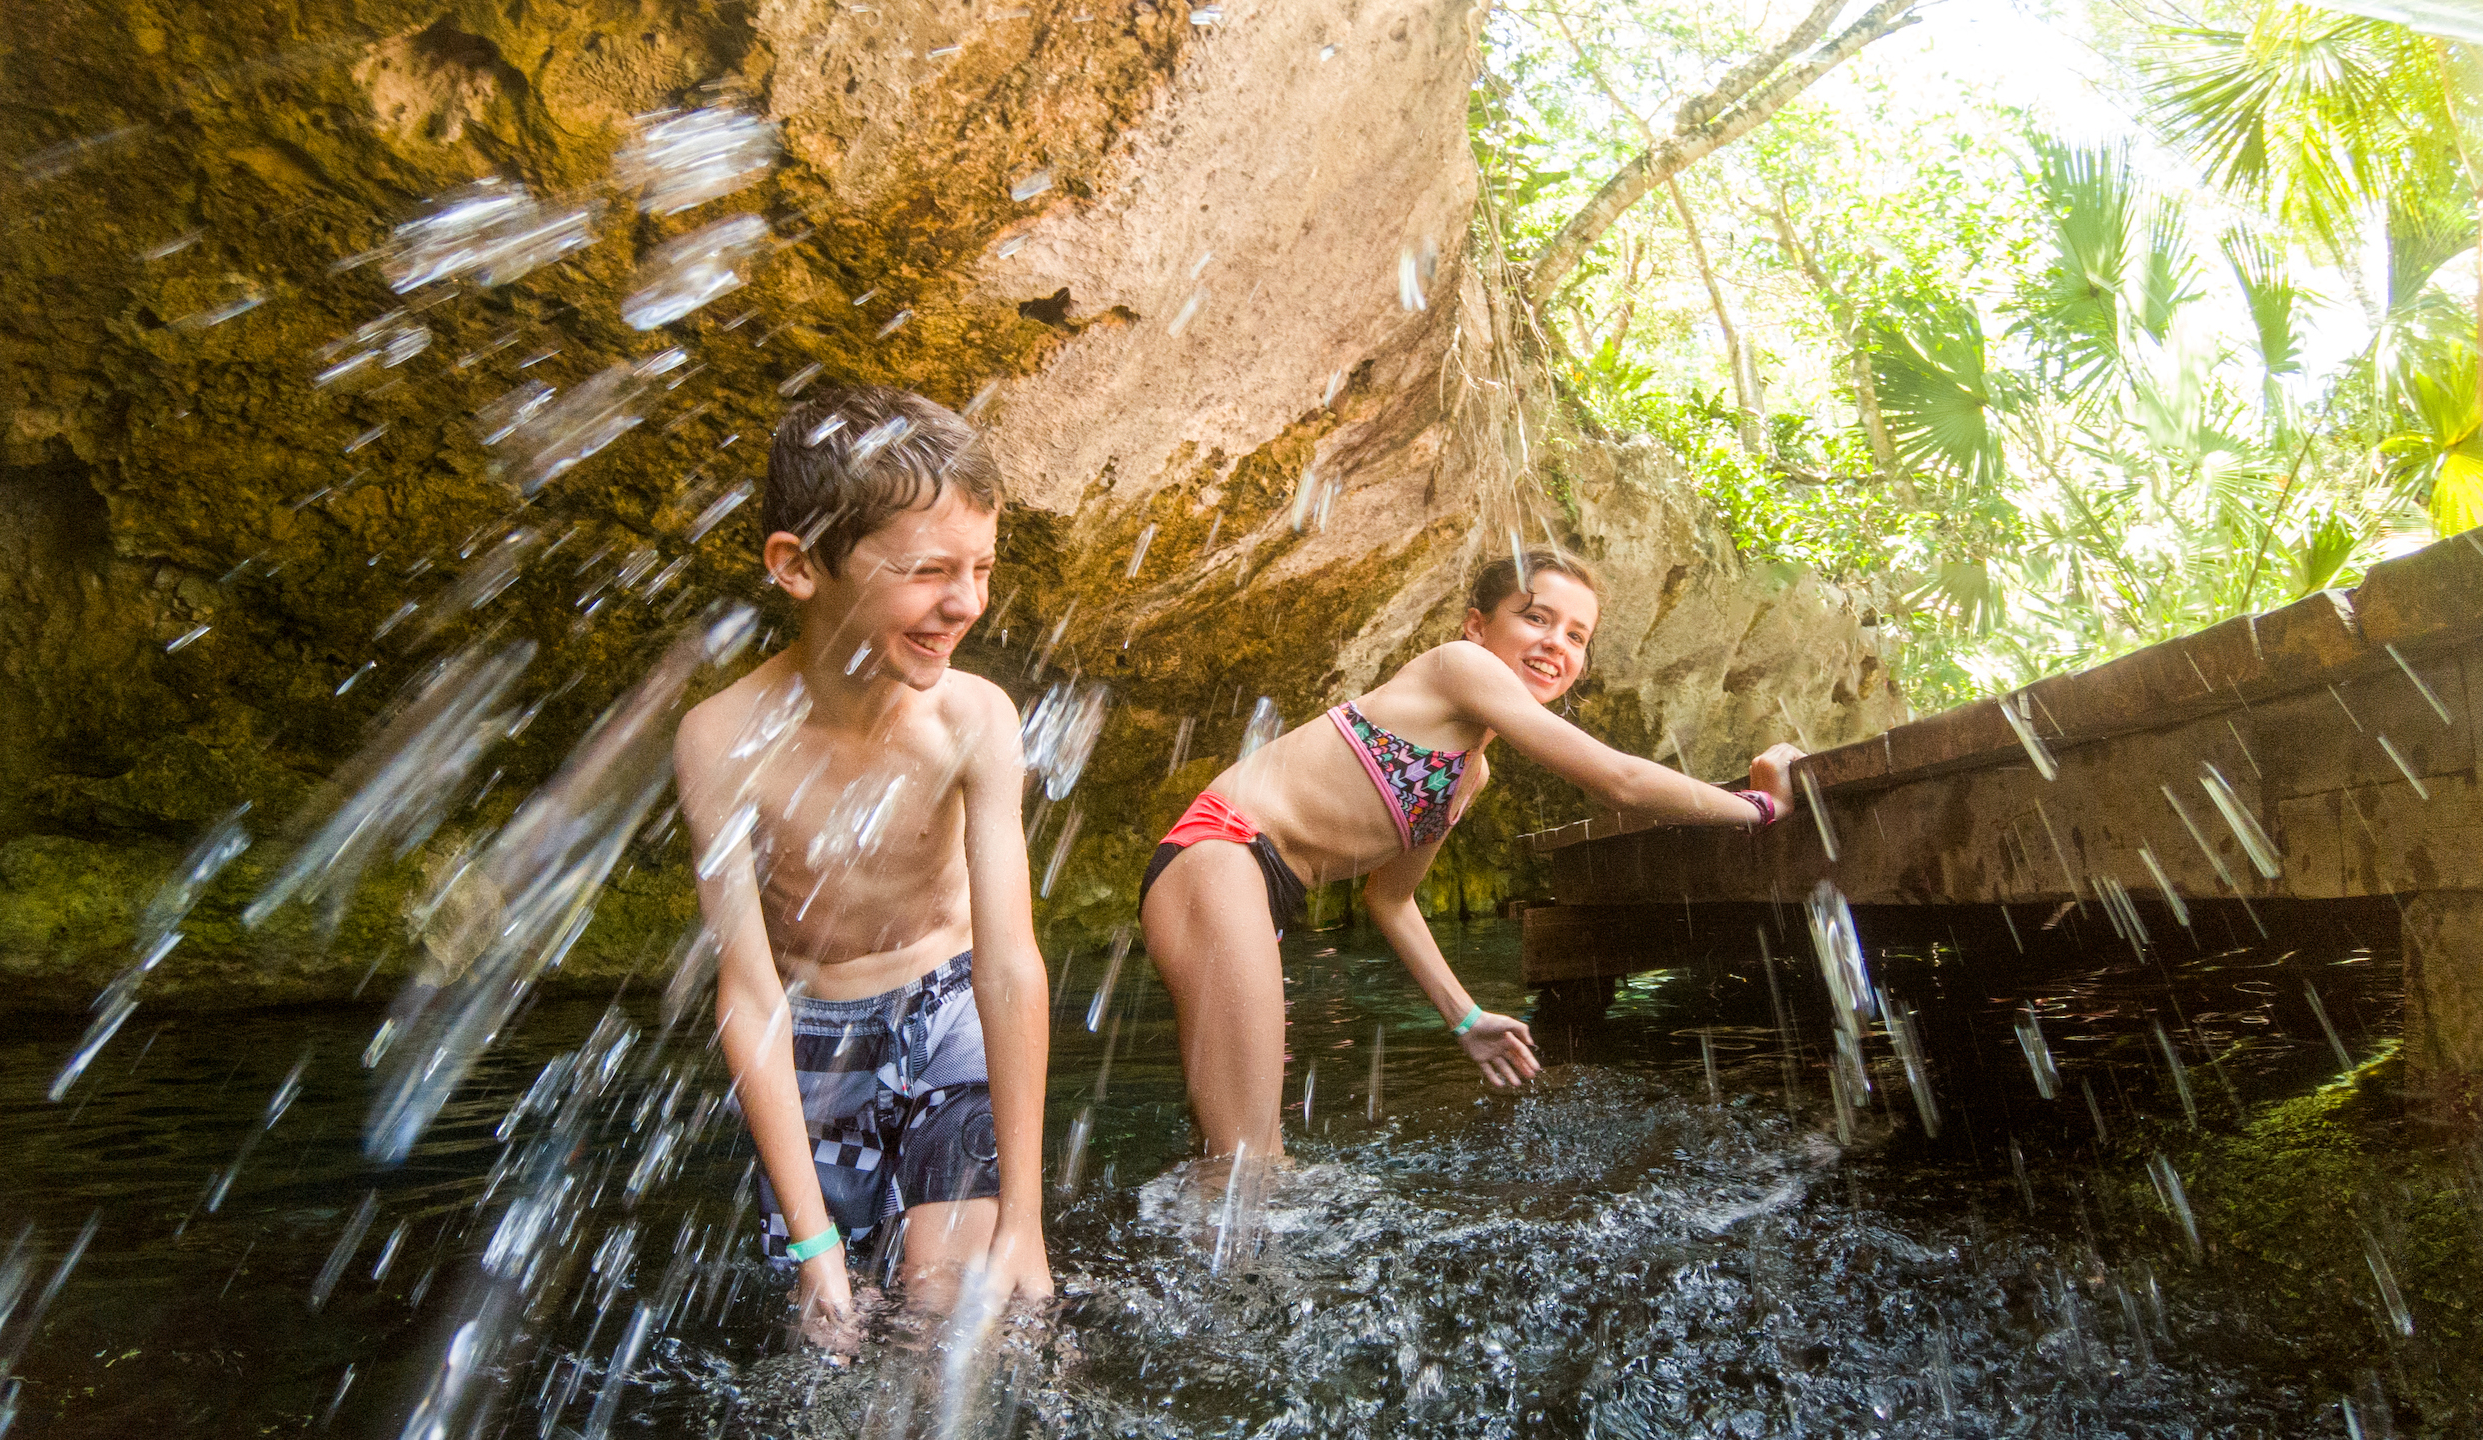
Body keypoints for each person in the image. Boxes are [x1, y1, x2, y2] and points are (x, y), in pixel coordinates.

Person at [1139, 549, 1803, 1159]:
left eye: (1576, 636)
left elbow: (1389, 899)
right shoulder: (1458, 667)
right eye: (1536, 617)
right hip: (1222, 853)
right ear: (1477, 627)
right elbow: (1618, 781)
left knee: (1236, 1157)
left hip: (1252, 882)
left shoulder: (1468, 775)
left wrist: (1466, 1016)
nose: (1555, 644)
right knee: (1249, 1163)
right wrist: (1759, 808)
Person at [673, 384, 1051, 1348]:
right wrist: (812, 1250)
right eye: (928, 572)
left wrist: (1027, 1222)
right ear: (798, 566)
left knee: (964, 1318)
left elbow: (1009, 965)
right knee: (837, 1337)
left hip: (950, 1008)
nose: (964, 603)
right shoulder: (723, 741)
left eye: (982, 567)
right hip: (814, 1040)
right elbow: (749, 989)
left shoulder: (974, 720)